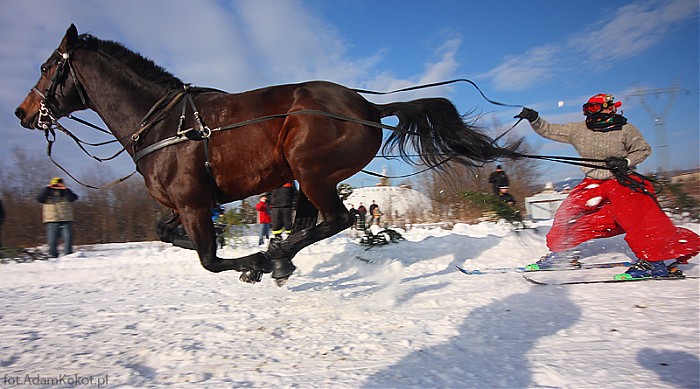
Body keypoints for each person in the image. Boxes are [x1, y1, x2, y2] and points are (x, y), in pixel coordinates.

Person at [515, 93, 699, 279]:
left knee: (637, 219)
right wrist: (534, 118)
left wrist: (626, 161)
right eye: (587, 109)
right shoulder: (578, 129)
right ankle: (563, 255)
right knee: (567, 214)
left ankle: (654, 262)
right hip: (593, 183)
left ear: (609, 108)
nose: (590, 113)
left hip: (621, 181)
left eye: (594, 108)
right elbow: (550, 130)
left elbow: (643, 149)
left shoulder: (625, 129)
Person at [37, 177, 78, 258]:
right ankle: (53, 255)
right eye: (56, 184)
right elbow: (40, 199)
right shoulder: (46, 192)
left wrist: (65, 189)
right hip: (52, 219)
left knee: (68, 238)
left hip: (66, 218)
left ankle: (68, 255)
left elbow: (73, 198)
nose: (57, 186)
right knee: (52, 240)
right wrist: (48, 188)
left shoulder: (66, 192)